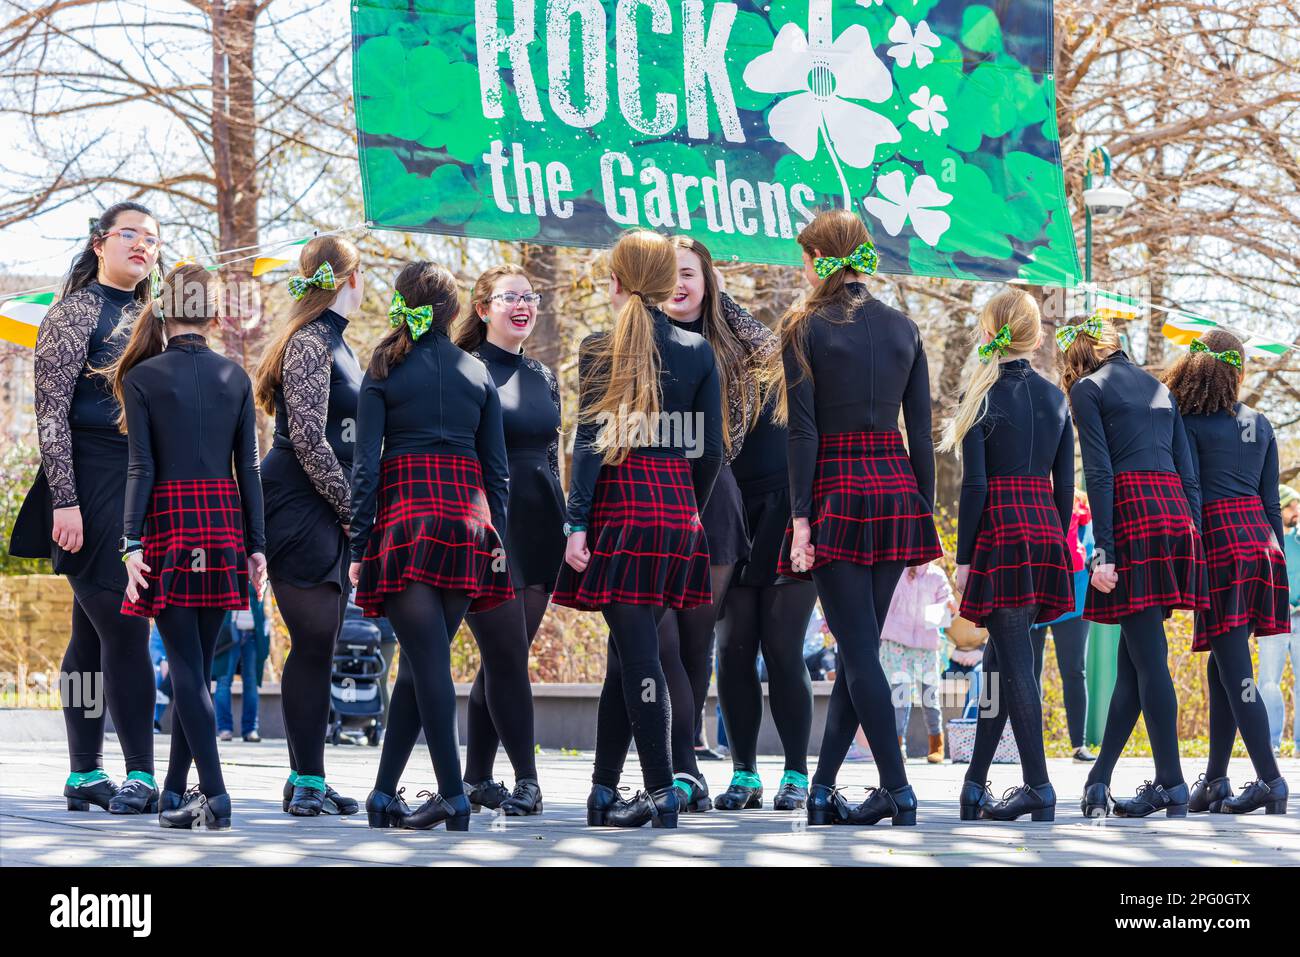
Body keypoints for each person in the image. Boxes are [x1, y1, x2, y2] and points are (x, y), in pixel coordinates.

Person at [552, 229, 722, 829]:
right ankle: (603, 789)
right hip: (677, 511)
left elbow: (590, 441)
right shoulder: (699, 352)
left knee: (640, 655)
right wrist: (689, 508)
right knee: (625, 658)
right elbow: (710, 452)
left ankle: (658, 792)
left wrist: (576, 520)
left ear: (618, 282)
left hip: (622, 511)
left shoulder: (600, 345)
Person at [777, 209, 941, 827]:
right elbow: (920, 432)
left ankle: (897, 789)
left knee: (858, 648)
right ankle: (822, 788)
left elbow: (803, 431)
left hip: (838, 490)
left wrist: (799, 518)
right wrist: (922, 513)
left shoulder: (803, 326)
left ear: (819, 258)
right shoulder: (905, 326)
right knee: (859, 649)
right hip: (896, 486)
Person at [10, 203, 163, 815]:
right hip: (88, 483)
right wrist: (65, 502)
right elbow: (51, 412)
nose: (143, 246)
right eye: (130, 234)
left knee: (88, 638)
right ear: (100, 244)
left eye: (152, 238)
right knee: (126, 625)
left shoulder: (155, 315)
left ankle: (81, 774)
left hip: (142, 481)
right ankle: (142, 774)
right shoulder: (74, 312)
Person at [351, 260, 512, 832]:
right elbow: (499, 473)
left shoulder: (384, 364)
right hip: (468, 526)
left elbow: (365, 465)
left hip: (408, 523)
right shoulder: (477, 370)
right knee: (420, 668)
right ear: (456, 311)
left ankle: (453, 796)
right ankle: (381, 794)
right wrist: (500, 543)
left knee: (429, 664)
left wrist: (357, 540)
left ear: (404, 304)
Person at [113, 262, 267, 830]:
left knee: (184, 667)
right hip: (224, 523)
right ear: (213, 313)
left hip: (171, 524)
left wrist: (131, 543)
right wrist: (257, 544)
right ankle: (174, 792)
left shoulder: (143, 378)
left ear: (165, 309)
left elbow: (140, 467)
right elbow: (247, 467)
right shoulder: (235, 376)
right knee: (196, 671)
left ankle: (217, 795)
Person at [1061, 315, 1206, 819]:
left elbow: (1098, 471)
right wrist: (1193, 531)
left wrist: (1103, 550)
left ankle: (1171, 782)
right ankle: (1099, 780)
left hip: (1132, 512)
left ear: (1077, 351)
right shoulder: (1159, 387)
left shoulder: (1086, 388)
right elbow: (1189, 472)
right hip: (1173, 515)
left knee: (1149, 658)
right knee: (1135, 662)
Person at [940, 289, 1074, 823]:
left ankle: (1039, 786)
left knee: (1016, 664)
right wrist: (1058, 540)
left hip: (1001, 527)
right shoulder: (1057, 397)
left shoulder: (981, 394)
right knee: (1002, 659)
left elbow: (973, 486)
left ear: (987, 330)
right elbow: (1065, 485)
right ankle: (975, 785)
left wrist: (966, 556)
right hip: (1044, 527)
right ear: (1036, 335)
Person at [657, 236, 776, 811]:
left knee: (697, 641)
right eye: (668, 274)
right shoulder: (637, 338)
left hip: (714, 496)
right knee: (654, 641)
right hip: (647, 494)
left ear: (707, 280)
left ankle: (688, 771)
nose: (679, 284)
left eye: (689, 274)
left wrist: (721, 303)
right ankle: (673, 761)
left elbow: (776, 350)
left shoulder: (729, 341)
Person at [254, 235, 364, 816]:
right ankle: (306, 781)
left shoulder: (342, 344)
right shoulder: (309, 342)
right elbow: (306, 438)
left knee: (322, 644)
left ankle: (309, 780)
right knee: (316, 636)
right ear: (351, 278)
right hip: (298, 504)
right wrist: (352, 509)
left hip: (331, 505)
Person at [452, 263, 564, 816]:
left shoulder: (544, 375)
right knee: (505, 657)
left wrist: (570, 522)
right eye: (509, 297)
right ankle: (527, 779)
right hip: (488, 522)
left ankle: (476, 778)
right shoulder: (465, 370)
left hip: (542, 522)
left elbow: (550, 455)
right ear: (482, 309)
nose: (523, 305)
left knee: (506, 656)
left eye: (530, 296)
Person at [1166, 331, 1289, 815]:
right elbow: (1272, 504)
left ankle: (1271, 780)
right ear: (1238, 370)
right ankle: (1216, 779)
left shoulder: (1189, 422)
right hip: (1262, 546)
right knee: (1224, 664)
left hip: (1220, 546)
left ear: (1196, 369)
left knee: (1237, 670)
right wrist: (1274, 558)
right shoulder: (1259, 423)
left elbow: (1189, 494)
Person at [714, 393, 819, 811]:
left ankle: (796, 774)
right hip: (727, 505)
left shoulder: (791, 361)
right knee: (733, 649)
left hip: (790, 510)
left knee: (783, 649)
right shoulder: (705, 353)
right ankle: (744, 773)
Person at [1029, 491, 1095, 762]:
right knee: (1029, 672)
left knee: (1074, 670)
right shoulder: (1032, 493)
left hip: (1074, 594)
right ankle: (1031, 743)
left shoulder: (1081, 504)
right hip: (1034, 592)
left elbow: (1090, 546)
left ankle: (1078, 745)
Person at [880, 559, 956, 765]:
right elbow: (884, 598)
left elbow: (947, 599)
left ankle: (936, 745)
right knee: (900, 697)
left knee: (930, 696)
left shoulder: (936, 575)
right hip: (897, 642)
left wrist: (949, 606)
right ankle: (897, 745)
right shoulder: (898, 572)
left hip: (926, 644)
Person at [1261, 484, 1299, 755]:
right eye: (1291, 506)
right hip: (1275, 617)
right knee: (1269, 683)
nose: (1296, 510)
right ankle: (1271, 744)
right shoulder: (1267, 537)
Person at [213, 585, 268, 743]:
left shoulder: (258, 569)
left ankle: (250, 729)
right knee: (224, 682)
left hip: (252, 634)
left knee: (251, 684)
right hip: (230, 634)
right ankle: (224, 729)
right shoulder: (231, 564)